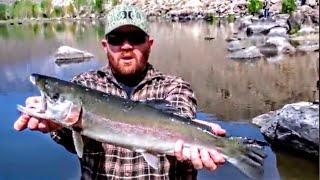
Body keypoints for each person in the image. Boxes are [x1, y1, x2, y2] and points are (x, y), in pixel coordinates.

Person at [14, 4, 226, 179]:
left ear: (149, 44)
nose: (126, 46)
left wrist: (199, 137)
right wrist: (58, 127)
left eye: (135, 38)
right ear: (105, 45)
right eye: (116, 39)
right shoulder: (84, 85)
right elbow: (74, 142)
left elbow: (181, 113)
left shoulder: (174, 87)